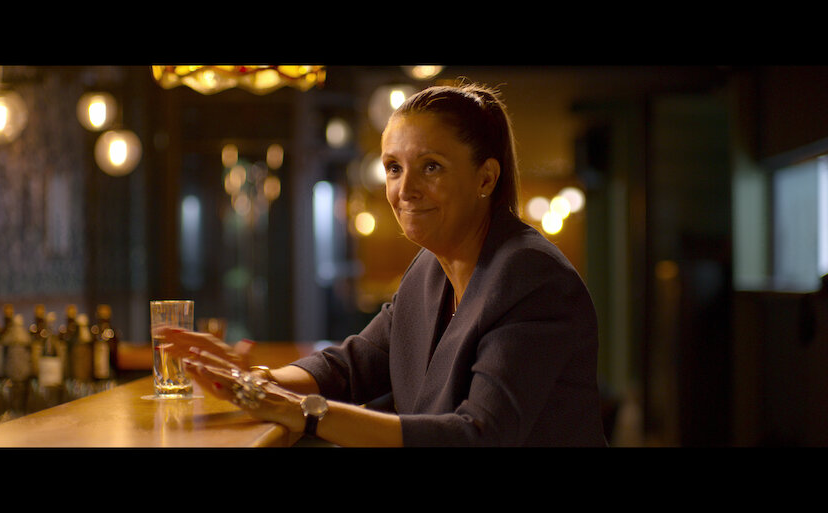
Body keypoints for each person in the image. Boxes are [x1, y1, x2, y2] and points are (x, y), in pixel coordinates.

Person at [162, 82, 608, 447]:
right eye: (394, 168)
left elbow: (478, 436)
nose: (405, 189)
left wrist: (304, 412)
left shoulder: (530, 276)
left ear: (486, 177)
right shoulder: (427, 270)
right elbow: (352, 365)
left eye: (431, 167)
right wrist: (254, 379)